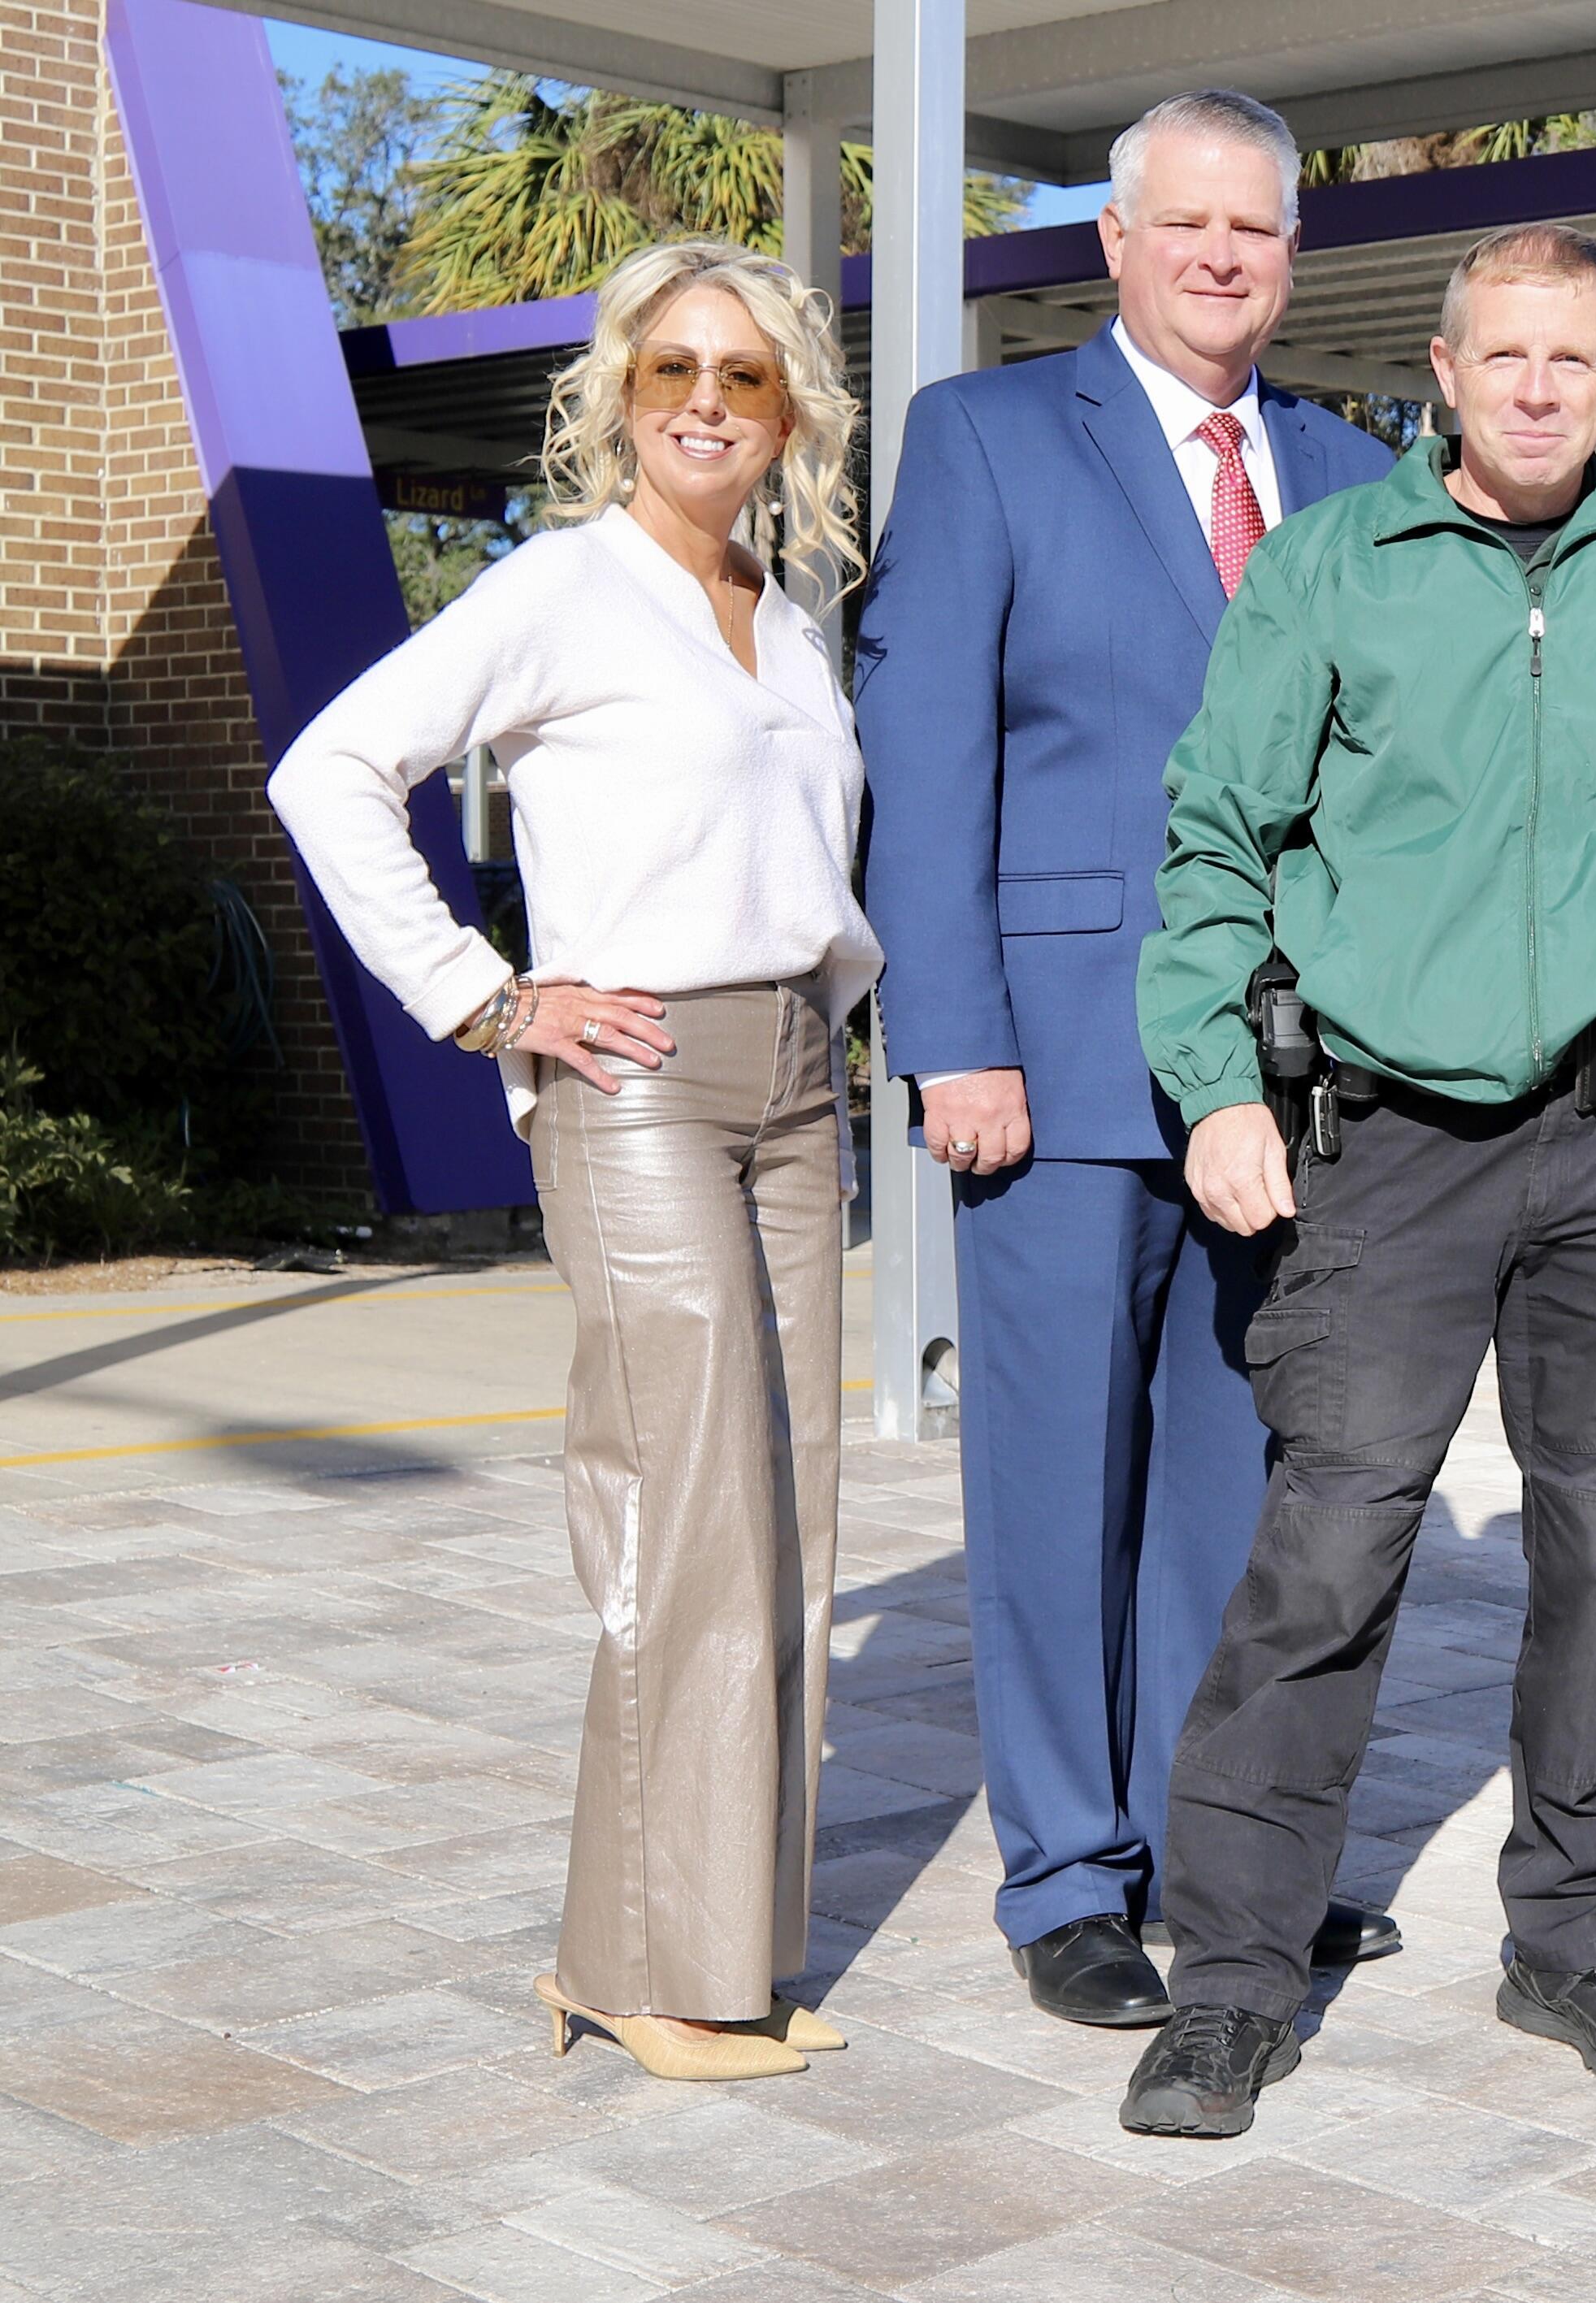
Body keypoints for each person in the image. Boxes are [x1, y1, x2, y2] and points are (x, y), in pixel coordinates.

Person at [1116, 223, 1596, 2136]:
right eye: (1506, 355)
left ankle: (1572, 1939)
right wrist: (1213, 1082)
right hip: (1386, 1145)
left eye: (1577, 360)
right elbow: (1217, 832)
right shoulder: (1330, 568)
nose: (1541, 388)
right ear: (1441, 373)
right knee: (1333, 1546)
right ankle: (1227, 1977)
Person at [270, 243, 878, 2082]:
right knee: (683, 1503)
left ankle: (727, 1943)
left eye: (746, 375)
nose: (706, 397)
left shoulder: (785, 611)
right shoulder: (557, 588)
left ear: (790, 416)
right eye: (673, 364)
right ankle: (634, 1963)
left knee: (787, 1510)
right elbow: (331, 771)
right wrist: (485, 996)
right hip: (639, 1086)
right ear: (620, 390)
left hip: (792, 1077)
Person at [853, 89, 1400, 2032]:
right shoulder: (986, 438)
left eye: (1255, 230)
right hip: (1060, 1071)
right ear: (1114, 238)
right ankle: (1070, 1872)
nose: (1224, 259)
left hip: (1286, 1082)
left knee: (1235, 1492)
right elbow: (927, 763)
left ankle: (1214, 1851)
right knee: (1057, 1486)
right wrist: (953, 1038)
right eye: (1188, 227)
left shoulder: (1347, 465)